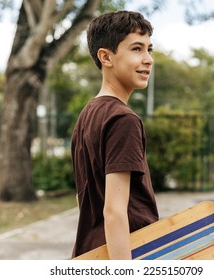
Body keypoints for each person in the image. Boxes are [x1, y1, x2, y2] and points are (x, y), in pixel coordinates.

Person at [71, 10, 159, 260]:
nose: (148, 59)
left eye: (149, 50)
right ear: (106, 57)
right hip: (125, 255)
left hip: (91, 252)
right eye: (136, 49)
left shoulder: (88, 115)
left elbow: (85, 202)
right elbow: (115, 212)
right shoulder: (123, 120)